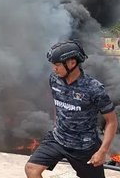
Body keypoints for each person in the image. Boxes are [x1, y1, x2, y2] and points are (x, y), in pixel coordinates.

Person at [25, 41, 118, 178]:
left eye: (57, 65)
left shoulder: (94, 88)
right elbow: (59, 105)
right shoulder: (54, 80)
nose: (54, 69)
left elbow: (112, 121)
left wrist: (102, 151)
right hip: (57, 140)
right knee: (31, 169)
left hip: (84, 148)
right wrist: (58, 125)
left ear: (72, 63)